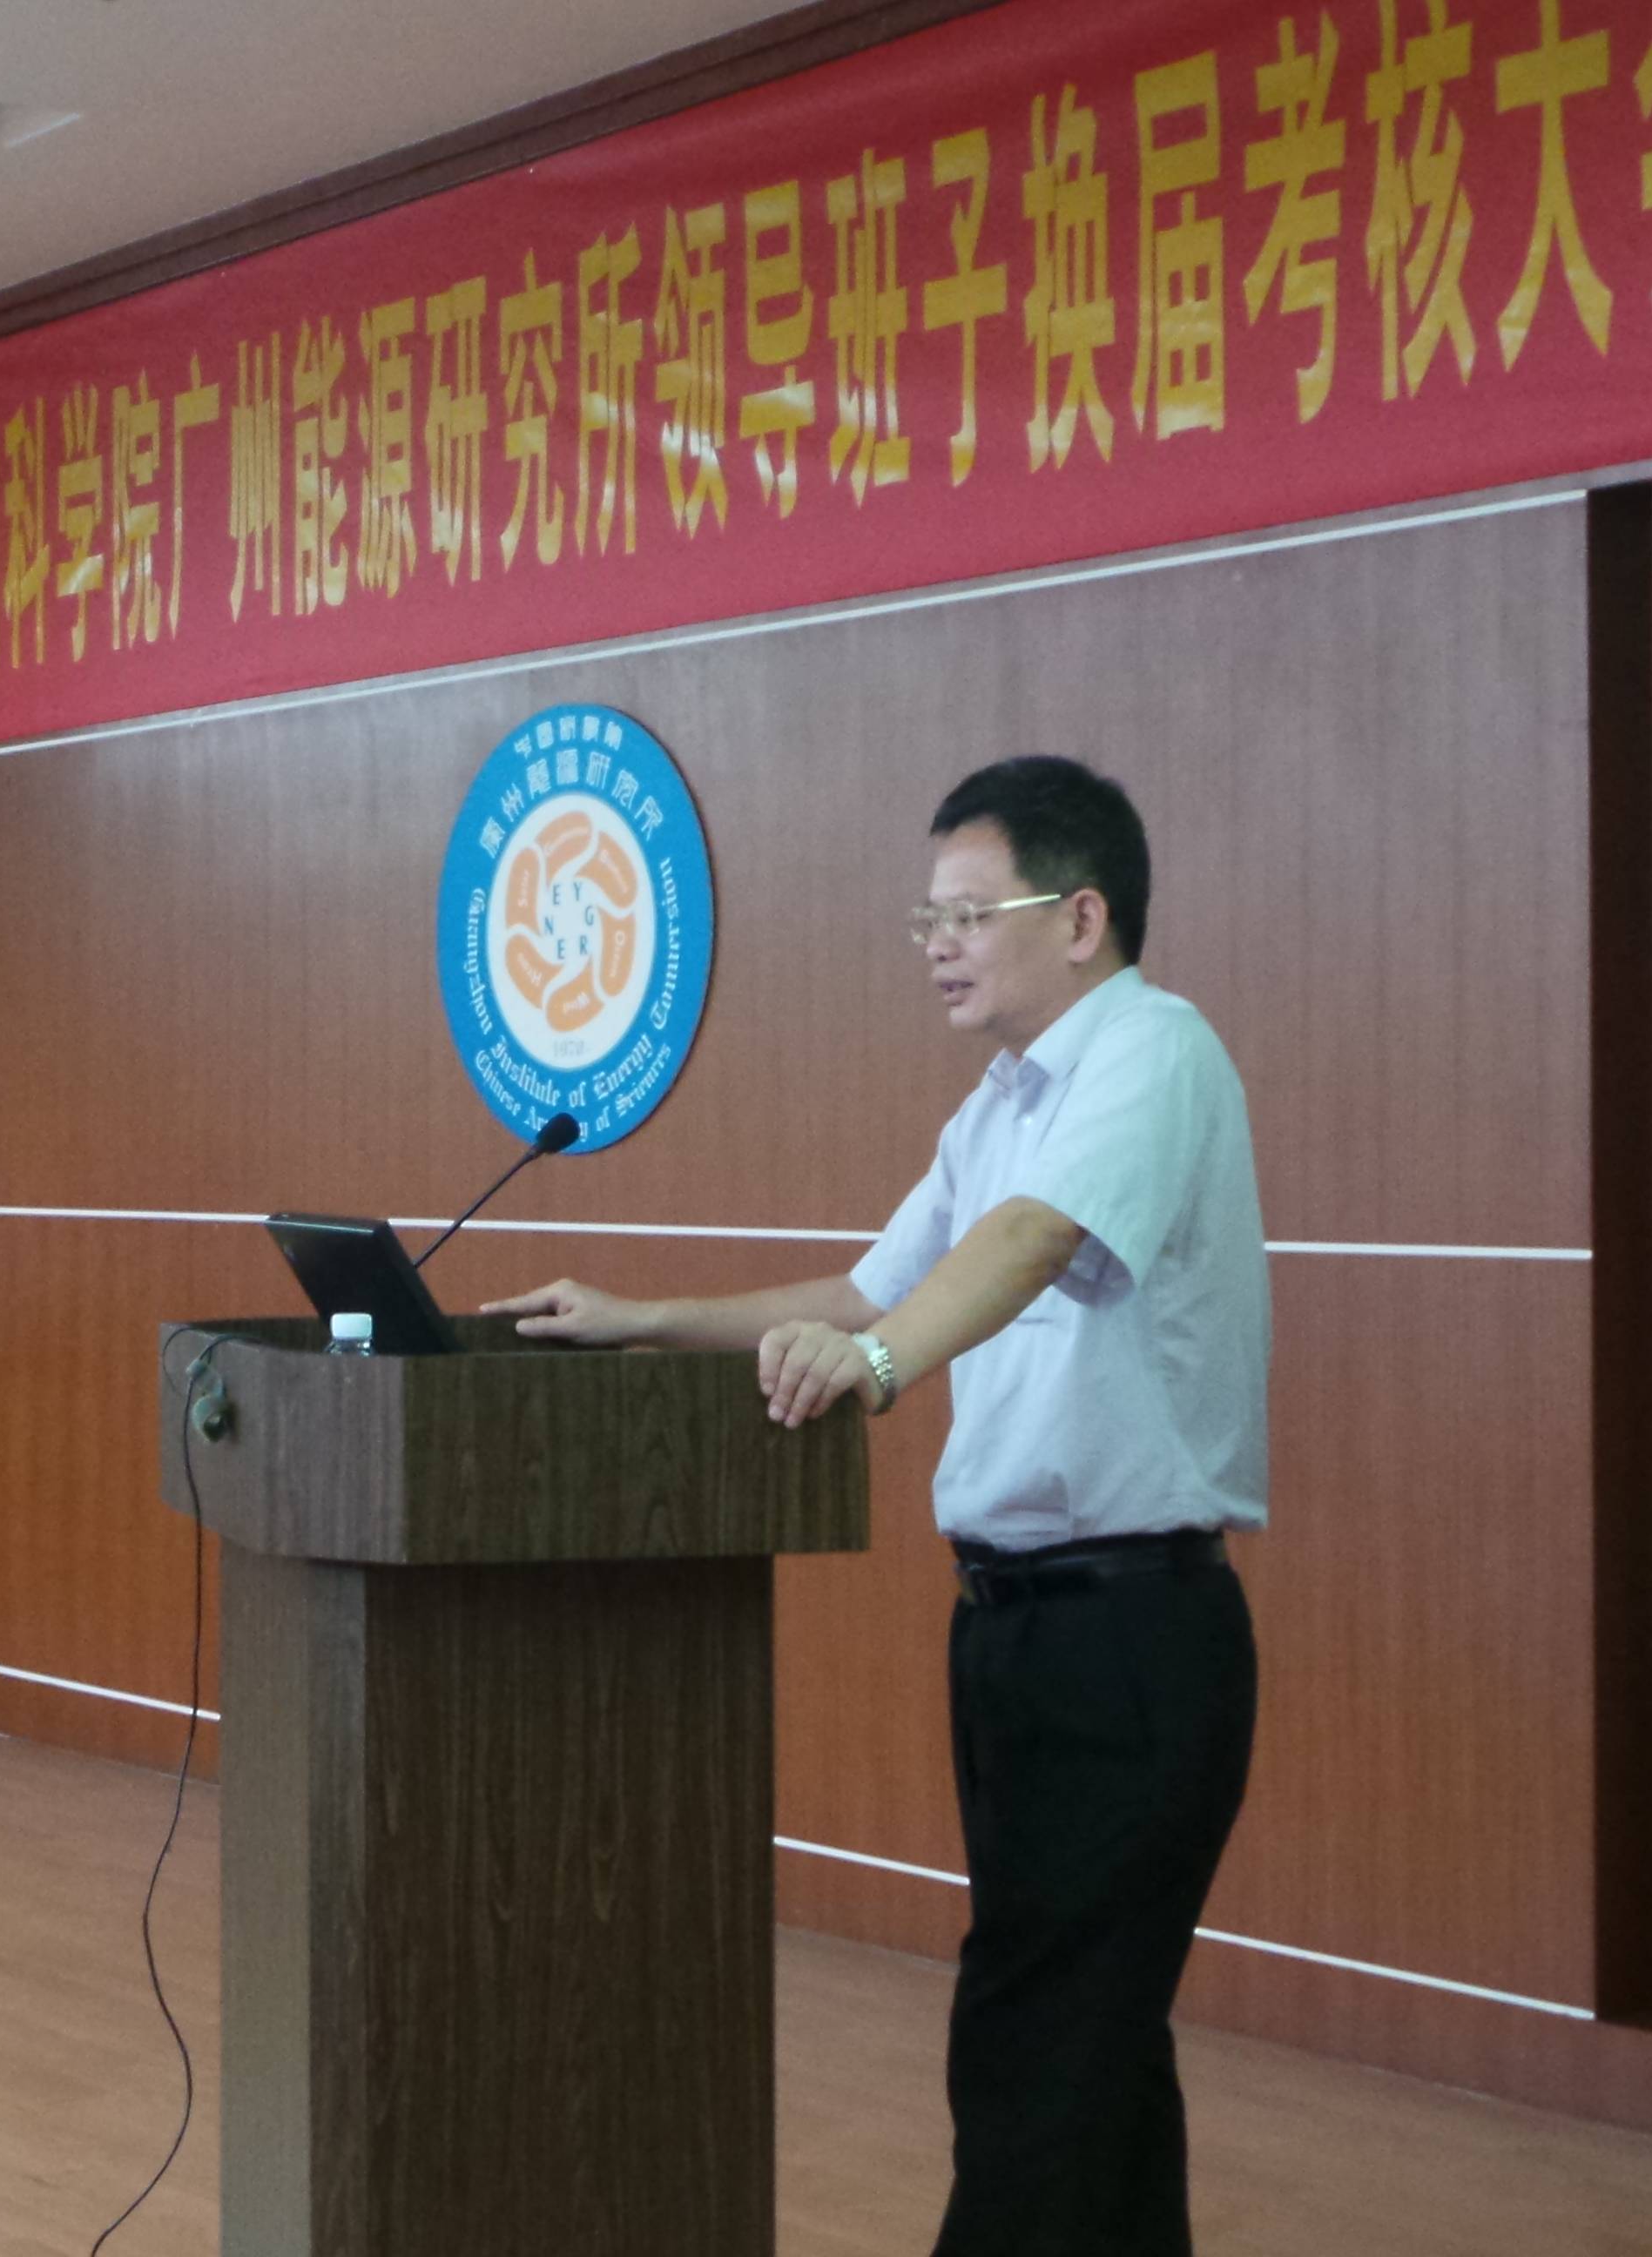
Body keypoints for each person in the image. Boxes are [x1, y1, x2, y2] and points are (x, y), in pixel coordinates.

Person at [484, 754, 1266, 2257]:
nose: (938, 947)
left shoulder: (1153, 1053)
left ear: (1082, 917)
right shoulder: (997, 1107)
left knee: (1034, 2040)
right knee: (1092, 2041)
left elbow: (1029, 1244)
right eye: (927, 921)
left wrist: (885, 1365)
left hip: (1132, 1634)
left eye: (969, 915)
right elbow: (865, 1291)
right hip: (1015, 1632)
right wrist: (641, 1320)